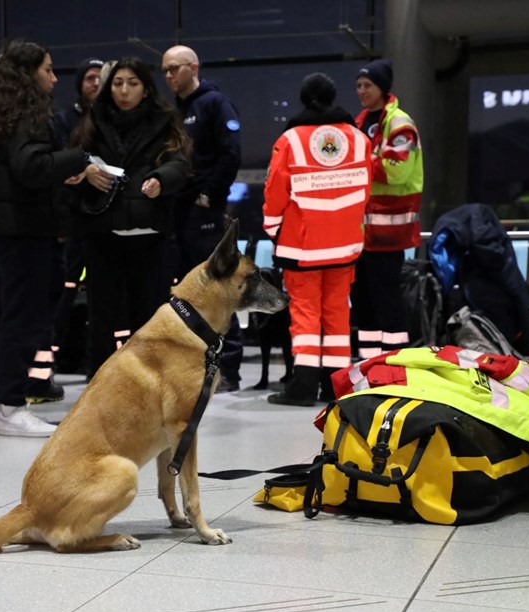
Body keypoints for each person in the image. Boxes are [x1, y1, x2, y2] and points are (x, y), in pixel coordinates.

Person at [0, 39, 91, 437]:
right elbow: (31, 167)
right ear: (28, 73)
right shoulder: (28, 113)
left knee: (1, 314)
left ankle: (0, 403)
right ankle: (12, 407)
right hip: (22, 231)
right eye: (47, 69)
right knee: (23, 317)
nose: (54, 78)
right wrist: (80, 158)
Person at [71, 57, 191, 376]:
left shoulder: (165, 120)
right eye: (118, 83)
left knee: (149, 317)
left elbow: (180, 164)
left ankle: (147, 383)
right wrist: (85, 170)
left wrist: (161, 179)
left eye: (133, 83)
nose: (124, 91)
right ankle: (99, 382)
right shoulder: (93, 119)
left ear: (146, 88)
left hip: (149, 233)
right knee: (101, 316)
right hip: (103, 231)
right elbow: (74, 157)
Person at [262, 73, 372, 406]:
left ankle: (303, 387)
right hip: (346, 245)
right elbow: (365, 188)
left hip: (303, 245)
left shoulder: (291, 140)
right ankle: (335, 386)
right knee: (337, 314)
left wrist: (273, 229)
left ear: (304, 98)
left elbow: (275, 190)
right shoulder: (358, 138)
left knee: (306, 315)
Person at [160, 44, 244, 392]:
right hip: (177, 211)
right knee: (185, 291)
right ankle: (195, 365)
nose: (169, 76)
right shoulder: (173, 111)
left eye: (174, 68)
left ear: (193, 67)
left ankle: (229, 370)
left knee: (217, 286)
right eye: (165, 70)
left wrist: (209, 194)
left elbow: (231, 153)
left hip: (205, 210)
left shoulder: (214, 103)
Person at [351, 58, 424, 360]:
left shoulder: (400, 124)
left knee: (388, 302)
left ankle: (395, 361)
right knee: (363, 303)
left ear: (382, 88)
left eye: (367, 85)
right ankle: (369, 362)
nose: (361, 91)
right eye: (358, 85)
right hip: (361, 234)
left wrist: (358, 161)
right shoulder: (359, 122)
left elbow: (396, 170)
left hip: (389, 233)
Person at [47, 57, 104, 379]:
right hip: (72, 218)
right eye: (89, 78)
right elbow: (57, 164)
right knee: (64, 290)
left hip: (105, 218)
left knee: (103, 293)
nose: (95, 83)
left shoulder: (113, 119)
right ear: (80, 84)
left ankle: (99, 361)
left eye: (100, 77)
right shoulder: (64, 120)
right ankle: (51, 358)